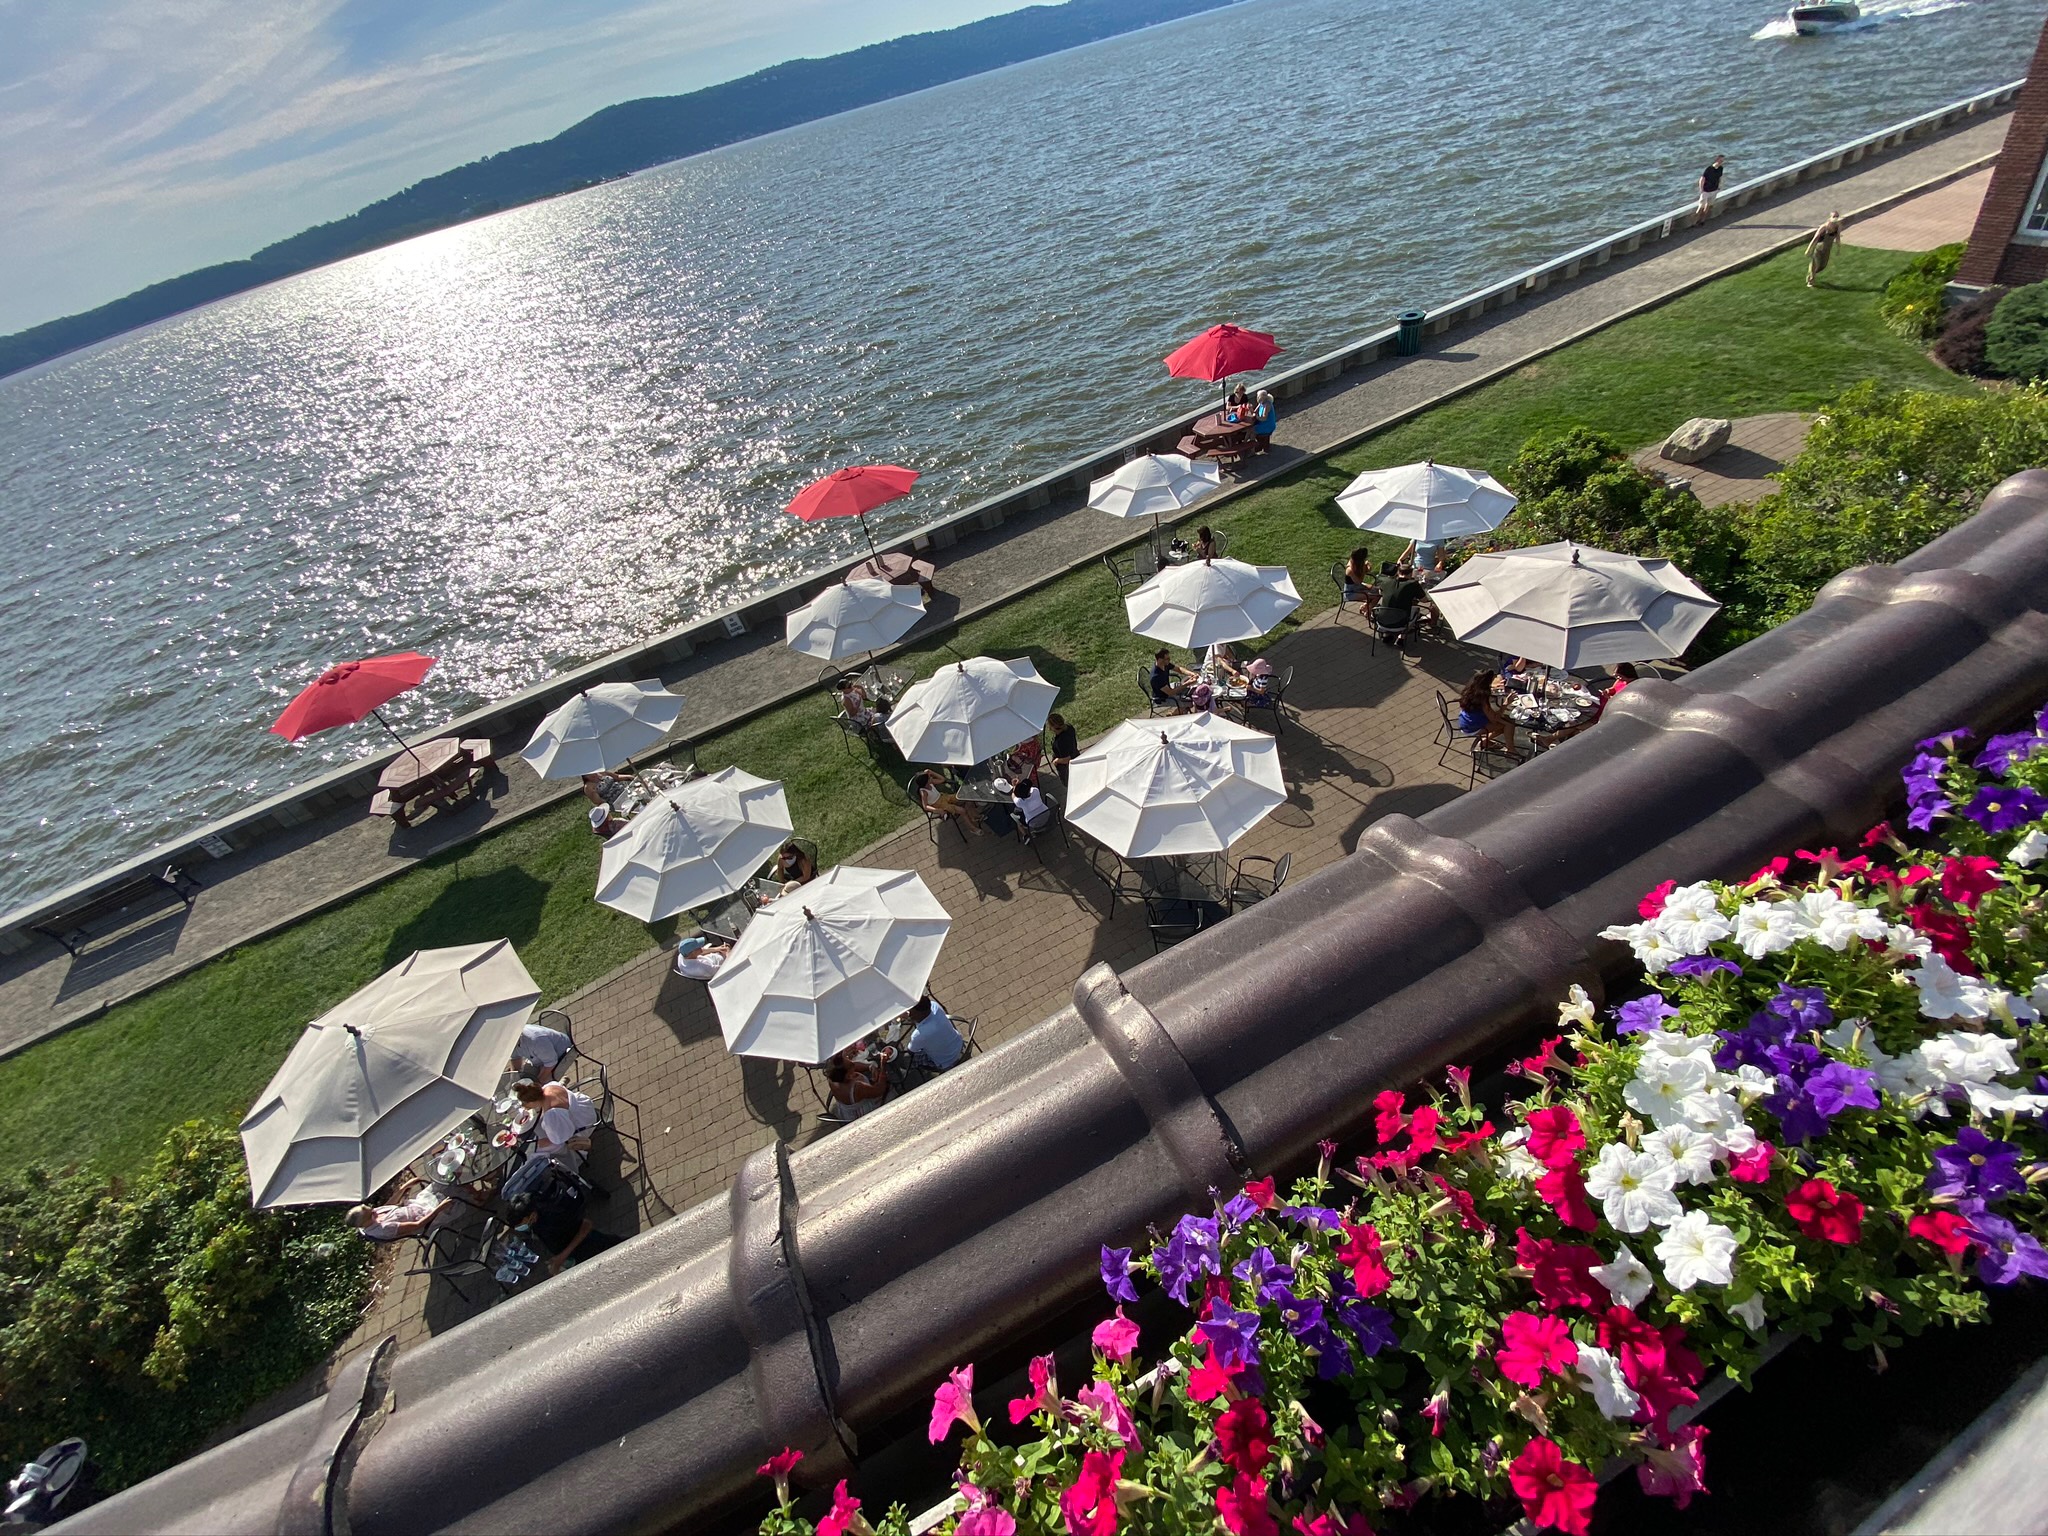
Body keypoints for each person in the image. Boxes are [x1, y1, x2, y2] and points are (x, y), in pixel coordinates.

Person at [504, 1166, 624, 1277]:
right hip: (578, 1256)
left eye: (522, 1223)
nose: (521, 1227)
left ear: (532, 1215)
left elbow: (586, 1226)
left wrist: (561, 1257)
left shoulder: (554, 1215)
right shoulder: (535, 1223)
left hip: (594, 1246)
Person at [514, 1078, 598, 1168]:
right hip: (584, 1106)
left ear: (531, 1101)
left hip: (584, 1121)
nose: (524, 1107)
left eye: (525, 1104)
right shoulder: (548, 1086)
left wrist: (542, 1142)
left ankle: (567, 1166)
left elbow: (561, 1139)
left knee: (543, 1149)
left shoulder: (552, 1113)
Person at [344, 1176, 449, 1242]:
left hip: (419, 1205)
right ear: (365, 1222)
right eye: (371, 1214)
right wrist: (440, 1208)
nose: (375, 1211)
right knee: (454, 1193)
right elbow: (418, 1225)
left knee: (442, 1181)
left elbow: (389, 1205)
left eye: (372, 1210)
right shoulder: (384, 1229)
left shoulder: (371, 1216)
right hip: (428, 1219)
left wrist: (404, 1187)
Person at [1456, 669, 1515, 754]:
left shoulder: (1471, 689)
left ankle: (1484, 742)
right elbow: (1494, 719)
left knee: (1506, 722)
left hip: (1465, 719)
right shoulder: (1482, 698)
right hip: (1472, 727)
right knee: (1509, 725)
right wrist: (1506, 703)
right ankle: (1511, 750)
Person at [825, 1046, 889, 1120]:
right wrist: (883, 1065)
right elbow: (880, 1090)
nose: (852, 1062)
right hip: (862, 1116)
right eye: (850, 1064)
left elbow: (854, 1066)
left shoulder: (833, 1078)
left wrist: (870, 1067)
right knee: (892, 1089)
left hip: (846, 1112)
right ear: (849, 1076)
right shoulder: (857, 1088)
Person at [904, 995, 966, 1072]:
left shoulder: (919, 1035)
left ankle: (903, 1070)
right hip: (959, 1046)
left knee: (906, 1059)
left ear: (920, 1013)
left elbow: (911, 1051)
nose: (909, 1014)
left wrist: (909, 1019)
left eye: (911, 1012)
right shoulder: (934, 1005)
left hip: (947, 1063)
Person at [914, 767, 981, 831]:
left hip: (943, 797)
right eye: (929, 778)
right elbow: (925, 806)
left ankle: (974, 816)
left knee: (964, 797)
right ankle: (972, 828)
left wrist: (932, 772)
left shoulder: (930, 783)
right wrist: (938, 810)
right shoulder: (924, 792)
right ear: (926, 783)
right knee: (962, 811)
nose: (931, 777)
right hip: (939, 805)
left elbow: (942, 779)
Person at [1806, 210, 1844, 287]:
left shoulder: (1838, 227)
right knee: (1815, 263)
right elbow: (1815, 239)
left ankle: (1811, 274)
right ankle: (1811, 280)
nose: (1835, 218)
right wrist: (1808, 249)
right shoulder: (1824, 227)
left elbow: (1838, 238)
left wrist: (1838, 249)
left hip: (1827, 249)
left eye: (1837, 216)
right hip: (1819, 248)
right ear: (1830, 217)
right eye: (1834, 216)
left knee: (1822, 266)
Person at [1694, 154, 1725, 226]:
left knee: (1708, 206)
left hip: (1714, 190)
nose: (1721, 162)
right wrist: (1701, 189)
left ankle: (1702, 220)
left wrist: (1720, 186)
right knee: (1701, 206)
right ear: (1716, 160)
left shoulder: (1721, 168)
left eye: (1722, 161)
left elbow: (1720, 177)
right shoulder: (1709, 169)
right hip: (1706, 191)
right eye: (1720, 160)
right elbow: (1702, 179)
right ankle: (1695, 222)